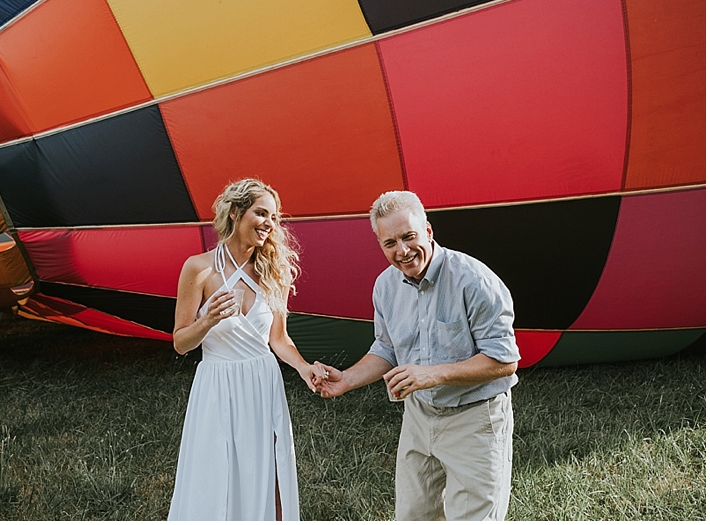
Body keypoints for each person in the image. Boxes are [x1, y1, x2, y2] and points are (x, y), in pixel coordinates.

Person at [314, 190, 520, 521]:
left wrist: (433, 374)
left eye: (409, 237)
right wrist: (346, 380)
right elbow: (387, 347)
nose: (402, 251)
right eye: (390, 243)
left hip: (474, 420)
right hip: (419, 418)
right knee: (412, 516)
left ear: (428, 230)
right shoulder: (385, 286)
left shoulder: (474, 280)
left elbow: (504, 360)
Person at [167, 178, 324, 521]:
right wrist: (206, 321)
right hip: (218, 382)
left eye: (274, 217)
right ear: (236, 213)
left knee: (268, 466)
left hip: (262, 381)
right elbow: (181, 343)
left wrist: (302, 368)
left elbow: (278, 338)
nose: (270, 223)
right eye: (261, 213)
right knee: (215, 472)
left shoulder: (273, 271)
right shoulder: (199, 268)